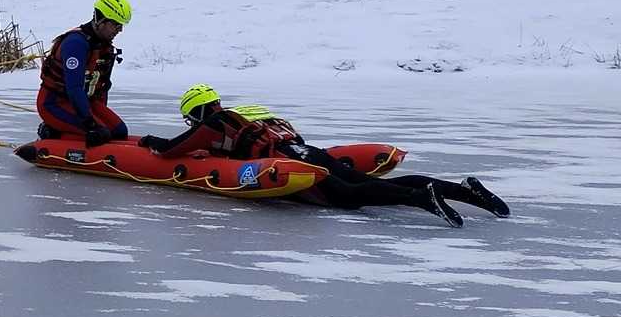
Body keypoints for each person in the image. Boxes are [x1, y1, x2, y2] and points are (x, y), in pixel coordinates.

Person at [141, 86, 510, 227]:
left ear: (200, 112)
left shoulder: (215, 122)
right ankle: (463, 191)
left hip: (292, 161)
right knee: (364, 182)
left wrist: (152, 142)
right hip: (310, 151)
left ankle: (420, 200)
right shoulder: (249, 114)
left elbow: (177, 149)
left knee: (348, 197)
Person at [37, 0, 132, 144]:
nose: (119, 30)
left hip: (83, 102)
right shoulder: (76, 44)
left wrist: (99, 115)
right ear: (101, 20)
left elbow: (102, 87)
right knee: (102, 134)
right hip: (55, 104)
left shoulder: (103, 46)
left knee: (119, 132)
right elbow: (74, 88)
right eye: (116, 24)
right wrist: (91, 124)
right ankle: (51, 133)